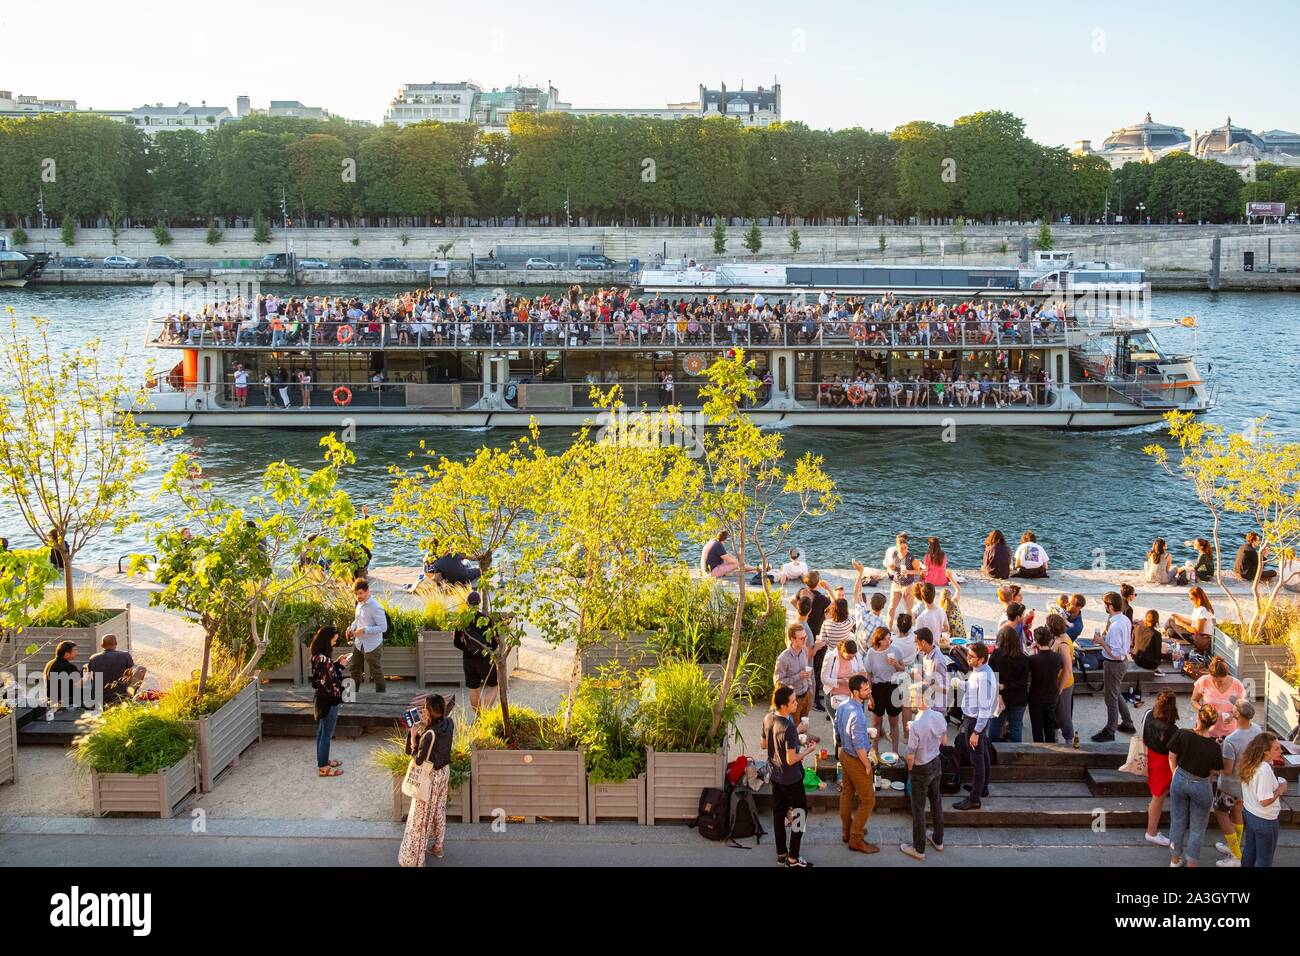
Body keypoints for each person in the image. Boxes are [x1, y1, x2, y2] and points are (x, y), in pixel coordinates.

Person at [398, 693, 455, 866]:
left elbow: (417, 759)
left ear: (429, 711)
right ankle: (438, 846)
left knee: (420, 817)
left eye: (425, 708)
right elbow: (438, 739)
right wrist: (424, 728)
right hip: (444, 772)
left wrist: (414, 736)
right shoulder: (449, 723)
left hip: (429, 777)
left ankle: (414, 859)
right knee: (438, 810)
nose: (422, 711)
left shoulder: (429, 734)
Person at [1168, 704, 1226, 868]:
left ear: (1198, 717)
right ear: (1213, 724)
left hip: (1179, 778)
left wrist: (1175, 775)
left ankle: (1174, 859)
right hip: (1201, 784)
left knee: (1177, 821)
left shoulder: (1182, 733)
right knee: (1197, 828)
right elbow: (1216, 771)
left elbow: (1172, 756)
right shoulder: (1214, 746)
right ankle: (1191, 863)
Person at [767, 686, 819, 867]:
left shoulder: (772, 720)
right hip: (791, 778)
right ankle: (793, 857)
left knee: (778, 814)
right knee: (800, 815)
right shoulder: (788, 726)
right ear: (783, 706)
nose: (797, 703)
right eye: (793, 701)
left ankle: (782, 853)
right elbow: (791, 759)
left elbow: (771, 745)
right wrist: (808, 751)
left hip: (776, 775)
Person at [901, 680, 947, 861]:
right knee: (936, 802)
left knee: (918, 809)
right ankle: (938, 840)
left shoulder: (916, 724)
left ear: (920, 699)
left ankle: (918, 849)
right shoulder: (938, 716)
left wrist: (910, 770)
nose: (911, 700)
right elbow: (944, 741)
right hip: (936, 762)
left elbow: (910, 755)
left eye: (912, 697)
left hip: (921, 767)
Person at [1212, 698, 1262, 867]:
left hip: (1229, 786)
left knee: (1220, 813)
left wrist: (1219, 750)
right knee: (1237, 812)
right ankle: (1234, 847)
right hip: (1246, 784)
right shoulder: (1257, 730)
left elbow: (1226, 770)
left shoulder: (1231, 740)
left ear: (1238, 715)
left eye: (1234, 709)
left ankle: (1236, 856)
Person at [834, 674, 879, 854]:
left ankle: (847, 830)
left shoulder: (843, 705)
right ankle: (856, 837)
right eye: (866, 689)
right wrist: (867, 764)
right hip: (856, 758)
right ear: (855, 692)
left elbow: (837, 728)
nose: (869, 691)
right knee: (868, 799)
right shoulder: (858, 715)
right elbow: (859, 745)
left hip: (844, 754)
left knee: (847, 793)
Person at [954, 642, 996, 810]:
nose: (968, 658)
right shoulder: (979, 671)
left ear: (981, 659)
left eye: (971, 657)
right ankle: (982, 787)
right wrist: (959, 684)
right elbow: (972, 688)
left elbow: (984, 711)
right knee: (983, 754)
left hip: (976, 722)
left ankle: (974, 799)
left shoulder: (984, 678)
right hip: (974, 720)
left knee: (977, 760)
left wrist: (976, 732)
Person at [1238, 732, 1287, 868]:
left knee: (1249, 851)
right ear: (1265, 752)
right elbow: (1265, 801)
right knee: (1265, 860)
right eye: (1276, 749)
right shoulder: (1264, 769)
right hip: (1265, 820)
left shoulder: (1250, 763)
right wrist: (1281, 788)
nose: (1281, 751)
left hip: (1250, 814)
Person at [1092, 591, 1136, 743]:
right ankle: (1127, 723)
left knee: (1110, 698)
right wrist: (1103, 639)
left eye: (1105, 604)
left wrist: (1102, 642)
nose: (1104, 607)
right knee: (1115, 693)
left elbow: (1115, 654)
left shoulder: (1116, 625)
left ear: (1110, 606)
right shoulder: (1124, 619)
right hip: (1122, 662)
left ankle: (1110, 730)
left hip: (1114, 664)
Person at [308, 626, 346, 777]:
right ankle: (323, 767)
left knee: (322, 732)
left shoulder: (318, 656)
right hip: (329, 700)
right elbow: (332, 681)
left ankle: (323, 761)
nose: (335, 643)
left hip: (322, 698)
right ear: (327, 640)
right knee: (326, 734)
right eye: (334, 640)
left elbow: (327, 674)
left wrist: (336, 664)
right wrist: (341, 667)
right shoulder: (324, 660)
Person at [1143, 690, 1180, 847]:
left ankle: (1152, 828)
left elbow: (1143, 737)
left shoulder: (1149, 714)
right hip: (1164, 763)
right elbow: (1173, 754)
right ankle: (1151, 832)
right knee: (1158, 797)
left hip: (1150, 756)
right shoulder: (1173, 729)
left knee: (1156, 795)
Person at [792, 571, 833, 710]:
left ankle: (814, 695)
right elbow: (835, 606)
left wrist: (802, 612)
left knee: (810, 664)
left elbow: (793, 600)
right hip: (816, 632)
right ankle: (814, 699)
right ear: (818, 582)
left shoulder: (802, 592)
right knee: (815, 666)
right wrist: (829, 589)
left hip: (806, 625)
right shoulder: (822, 599)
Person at [453, 591, 499, 714]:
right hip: (485, 658)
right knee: (494, 686)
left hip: (468, 659)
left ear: (467, 603)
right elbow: (495, 642)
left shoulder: (461, 620)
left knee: (474, 689)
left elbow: (456, 642)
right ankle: (486, 714)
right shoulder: (486, 619)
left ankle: (479, 716)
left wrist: (468, 649)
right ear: (479, 603)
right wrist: (488, 651)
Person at [989, 610, 1029, 742]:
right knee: (1016, 728)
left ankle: (993, 753)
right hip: (1018, 698)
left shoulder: (995, 656)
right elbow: (1023, 682)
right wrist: (1007, 685)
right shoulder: (1023, 659)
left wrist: (1001, 687)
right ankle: (1015, 754)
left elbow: (991, 677)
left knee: (995, 726)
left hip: (1000, 697)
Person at [864, 626, 904, 756]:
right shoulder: (871, 653)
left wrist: (896, 665)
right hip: (878, 688)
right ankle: (874, 750)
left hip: (893, 687)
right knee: (876, 721)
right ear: (879, 640)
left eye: (889, 638)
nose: (888, 642)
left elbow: (903, 669)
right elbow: (869, 675)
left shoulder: (896, 650)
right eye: (885, 639)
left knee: (894, 721)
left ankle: (895, 751)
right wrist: (870, 696)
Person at [345, 578, 386, 693]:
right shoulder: (359, 604)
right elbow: (357, 621)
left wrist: (365, 630)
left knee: (376, 673)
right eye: (356, 594)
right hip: (359, 643)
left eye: (360, 593)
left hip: (372, 645)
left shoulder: (376, 607)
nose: (358, 596)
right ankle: (353, 695)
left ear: (368, 591)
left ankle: (381, 699)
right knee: (354, 669)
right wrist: (351, 628)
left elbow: (383, 627)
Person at [1191, 657, 1245, 740]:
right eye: (1214, 680)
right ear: (1210, 674)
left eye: (1220, 681)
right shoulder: (1204, 681)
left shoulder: (1237, 685)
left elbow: (1241, 708)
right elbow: (1194, 700)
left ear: (1227, 675)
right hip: (1205, 730)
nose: (1217, 683)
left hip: (1228, 733)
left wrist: (1233, 715)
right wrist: (1203, 709)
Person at [84, 634, 146, 706]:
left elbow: (88, 677)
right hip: (120, 696)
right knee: (141, 669)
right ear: (116, 644)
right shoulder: (125, 655)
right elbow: (129, 674)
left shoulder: (93, 658)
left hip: (99, 697)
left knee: (87, 670)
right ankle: (129, 696)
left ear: (101, 645)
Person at [1026, 626, 1062, 742]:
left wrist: (1029, 651)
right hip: (1052, 695)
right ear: (1050, 640)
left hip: (1036, 696)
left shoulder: (1033, 659)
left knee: (1037, 727)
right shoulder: (1057, 657)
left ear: (1036, 642)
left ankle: (1038, 748)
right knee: (1049, 725)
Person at [773, 623, 815, 723]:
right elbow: (778, 683)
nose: (805, 640)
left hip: (806, 695)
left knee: (804, 722)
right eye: (802, 638)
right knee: (794, 728)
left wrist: (810, 689)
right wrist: (798, 676)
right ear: (792, 639)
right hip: (793, 700)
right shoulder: (783, 658)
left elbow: (806, 670)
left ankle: (806, 736)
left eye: (805, 637)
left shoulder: (804, 650)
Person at [1047, 613, 1076, 746]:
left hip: (1063, 684)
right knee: (1058, 710)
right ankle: (1057, 732)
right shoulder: (1060, 638)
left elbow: (1068, 670)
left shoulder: (1063, 644)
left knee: (1064, 713)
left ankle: (1069, 738)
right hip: (1059, 682)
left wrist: (1059, 689)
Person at [884, 533, 923, 625]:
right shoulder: (894, 554)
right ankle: (889, 628)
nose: (904, 550)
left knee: (909, 610)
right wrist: (893, 568)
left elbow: (917, 571)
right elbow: (895, 568)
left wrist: (908, 572)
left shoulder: (911, 557)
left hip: (908, 586)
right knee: (891, 608)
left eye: (905, 548)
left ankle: (912, 631)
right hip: (896, 584)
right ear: (897, 548)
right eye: (901, 548)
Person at [1165, 586, 1215, 656]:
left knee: (1170, 621)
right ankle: (1165, 634)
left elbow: (1197, 631)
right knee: (1171, 632)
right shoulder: (1198, 607)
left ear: (1198, 598)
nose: (1190, 599)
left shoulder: (1203, 610)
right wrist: (1181, 618)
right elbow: (1194, 622)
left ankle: (1157, 635)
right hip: (1196, 636)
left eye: (1192, 598)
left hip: (1200, 639)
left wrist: (1182, 624)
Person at [42, 640, 81, 709]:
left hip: (51, 701)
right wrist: (88, 675)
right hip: (66, 703)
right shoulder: (69, 666)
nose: (77, 652)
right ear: (66, 654)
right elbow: (79, 684)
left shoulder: (49, 663)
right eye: (74, 650)